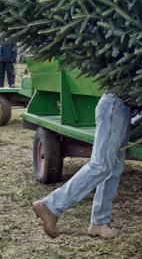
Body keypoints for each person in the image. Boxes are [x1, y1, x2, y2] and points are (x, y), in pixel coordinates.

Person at [32, 92, 131, 239]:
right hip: (114, 106)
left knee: (113, 168)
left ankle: (99, 222)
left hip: (123, 108)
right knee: (100, 166)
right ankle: (51, 206)